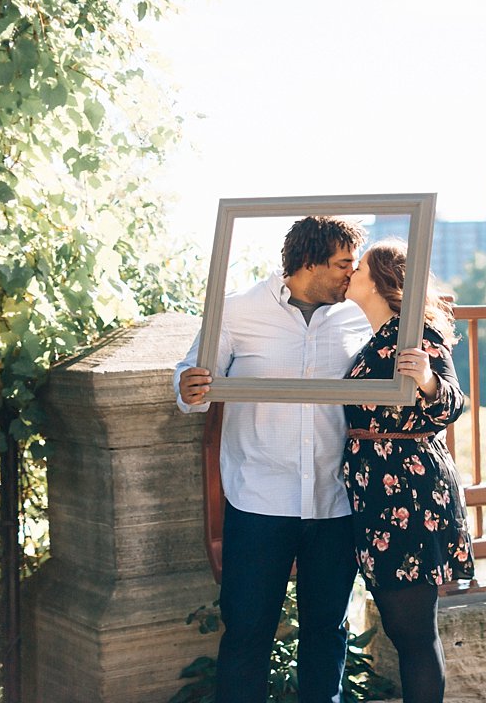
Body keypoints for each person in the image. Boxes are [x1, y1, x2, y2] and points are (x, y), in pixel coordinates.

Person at [175, 216, 373, 703]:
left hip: (335, 501)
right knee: (246, 631)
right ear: (308, 262)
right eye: (344, 264)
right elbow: (191, 380)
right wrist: (188, 386)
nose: (354, 274)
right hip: (260, 499)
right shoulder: (237, 312)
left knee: (327, 632)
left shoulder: (357, 317)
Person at [341, 238, 473, 703]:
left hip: (409, 494)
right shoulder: (375, 336)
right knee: (404, 631)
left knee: (413, 635)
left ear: (380, 281)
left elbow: (453, 402)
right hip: (377, 494)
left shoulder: (416, 333)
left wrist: (428, 380)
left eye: (358, 267)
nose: (349, 271)